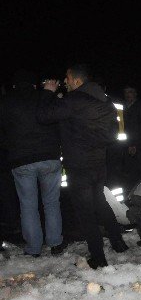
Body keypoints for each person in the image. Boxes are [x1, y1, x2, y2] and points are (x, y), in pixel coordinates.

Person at [38, 64, 129, 269]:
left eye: (68, 78)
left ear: (77, 81)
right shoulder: (104, 100)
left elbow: (43, 116)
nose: (65, 81)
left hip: (79, 165)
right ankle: (118, 243)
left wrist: (48, 93)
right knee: (100, 202)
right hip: (98, 162)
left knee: (85, 212)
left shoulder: (75, 100)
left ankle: (98, 257)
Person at [0, 69, 64, 257]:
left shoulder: (5, 103)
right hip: (49, 157)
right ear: (34, 85)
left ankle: (34, 248)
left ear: (14, 86)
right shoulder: (44, 97)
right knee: (52, 202)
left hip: (21, 159)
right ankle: (55, 243)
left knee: (28, 205)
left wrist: (11, 145)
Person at [122, 84, 141, 187]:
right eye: (126, 92)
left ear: (135, 93)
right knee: (129, 173)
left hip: (139, 146)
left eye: (130, 92)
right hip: (126, 145)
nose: (127, 95)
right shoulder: (123, 107)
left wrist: (140, 146)